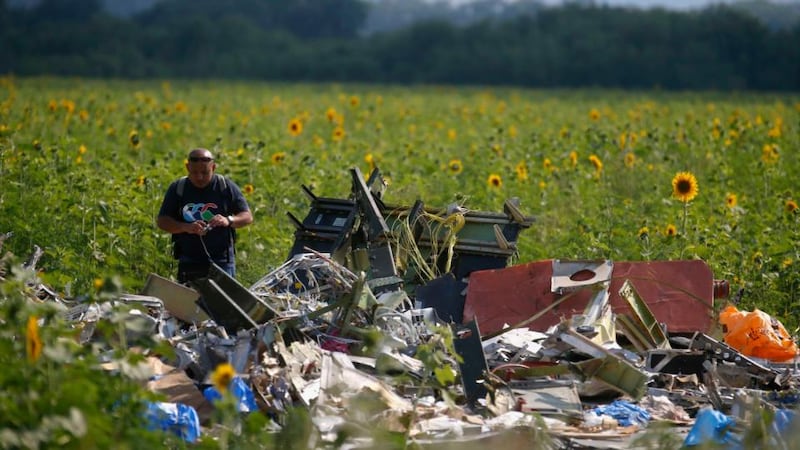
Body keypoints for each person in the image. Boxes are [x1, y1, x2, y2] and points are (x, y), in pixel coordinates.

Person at [157, 148, 253, 283]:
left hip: (222, 261)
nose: (199, 177)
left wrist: (228, 220)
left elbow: (247, 216)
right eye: (194, 172)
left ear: (213, 167)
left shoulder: (225, 187)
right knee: (190, 302)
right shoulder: (178, 188)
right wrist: (186, 227)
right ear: (187, 167)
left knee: (222, 303)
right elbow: (162, 221)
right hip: (189, 261)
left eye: (205, 172)